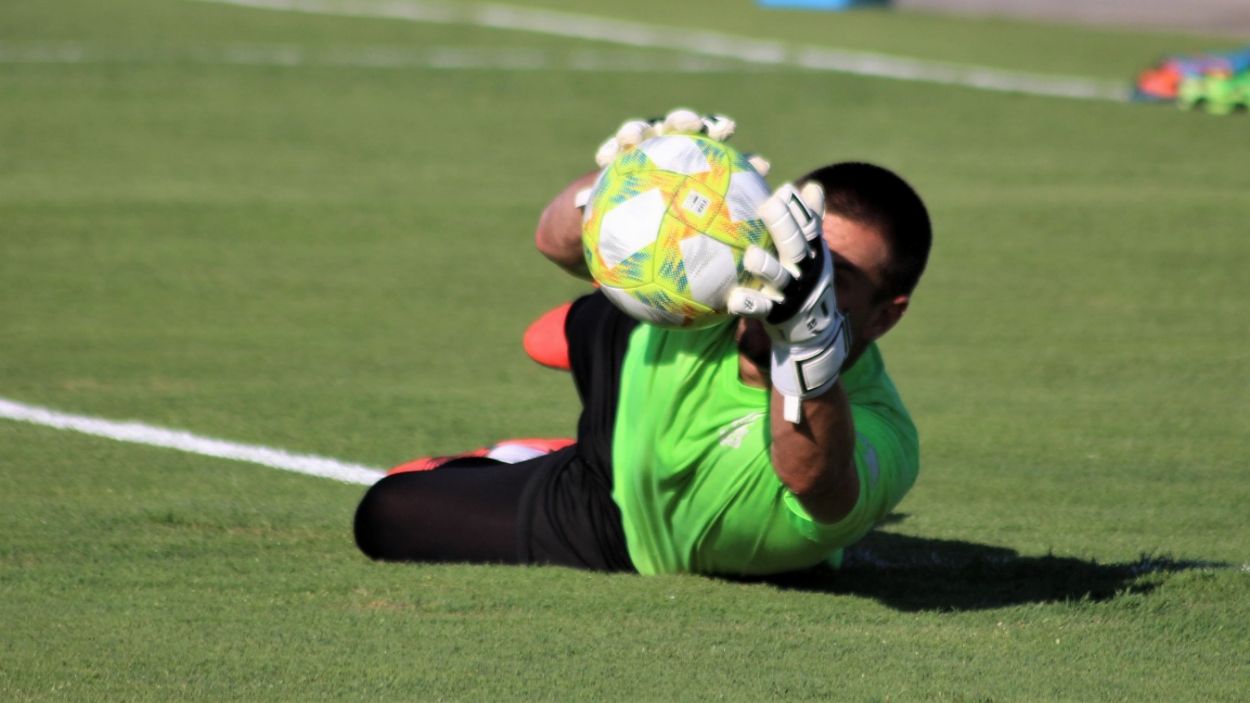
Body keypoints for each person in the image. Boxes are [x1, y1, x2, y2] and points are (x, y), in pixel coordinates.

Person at [353, 113, 932, 576]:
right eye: (803, 248)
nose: (799, 274)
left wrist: (805, 347)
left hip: (609, 517)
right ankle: (580, 387)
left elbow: (818, 485)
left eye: (839, 275)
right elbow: (554, 243)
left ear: (885, 316)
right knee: (553, 334)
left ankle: (548, 455)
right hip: (644, 362)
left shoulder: (884, 431)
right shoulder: (725, 286)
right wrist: (626, 178)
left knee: (387, 511)